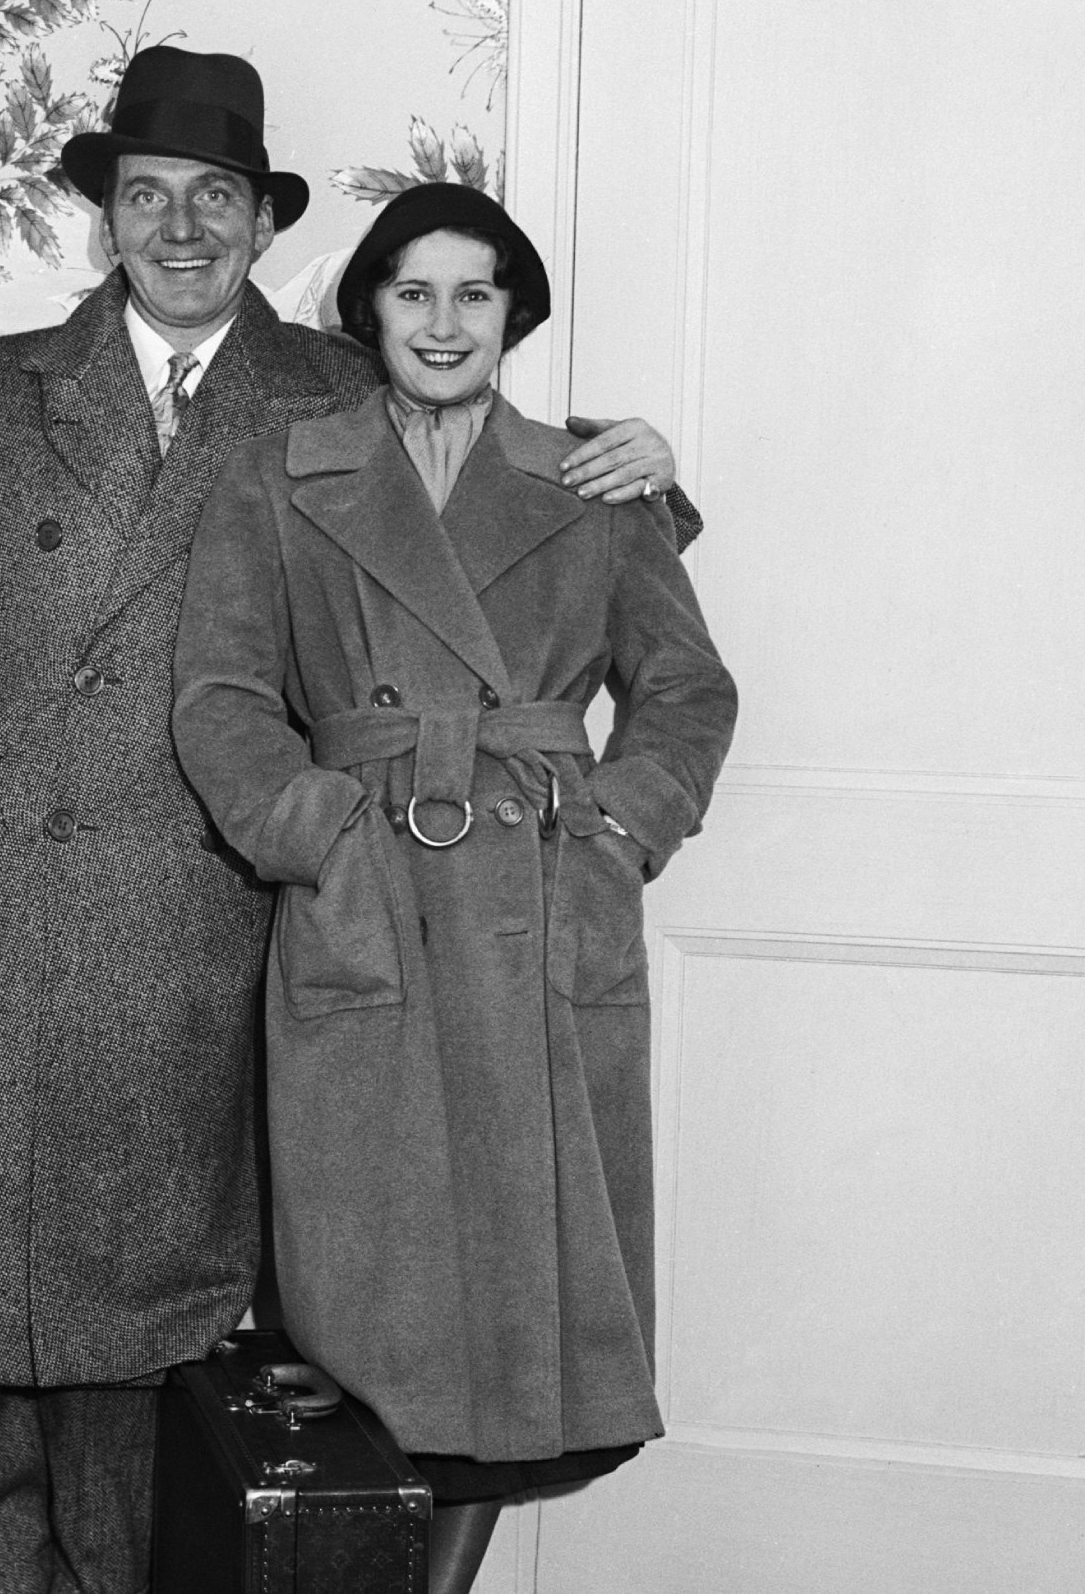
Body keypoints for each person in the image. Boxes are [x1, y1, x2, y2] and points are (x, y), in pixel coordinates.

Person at [0, 47, 701, 1594]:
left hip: (243, 929)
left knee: (217, 1363)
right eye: (145, 196)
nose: (179, 227)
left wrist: (653, 477)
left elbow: (497, 493)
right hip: (11, 909)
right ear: (107, 218)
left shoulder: (334, 389)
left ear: (262, 222)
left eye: (212, 198)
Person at [170, 183, 738, 1594]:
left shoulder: (596, 482)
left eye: (473, 293)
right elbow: (223, 698)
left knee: (516, 1346)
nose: (442, 321)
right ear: (369, 309)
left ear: (513, 315)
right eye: (413, 292)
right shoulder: (284, 474)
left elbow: (688, 695)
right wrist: (321, 836)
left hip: (539, 909)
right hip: (369, 907)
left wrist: (613, 832)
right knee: (368, 1310)